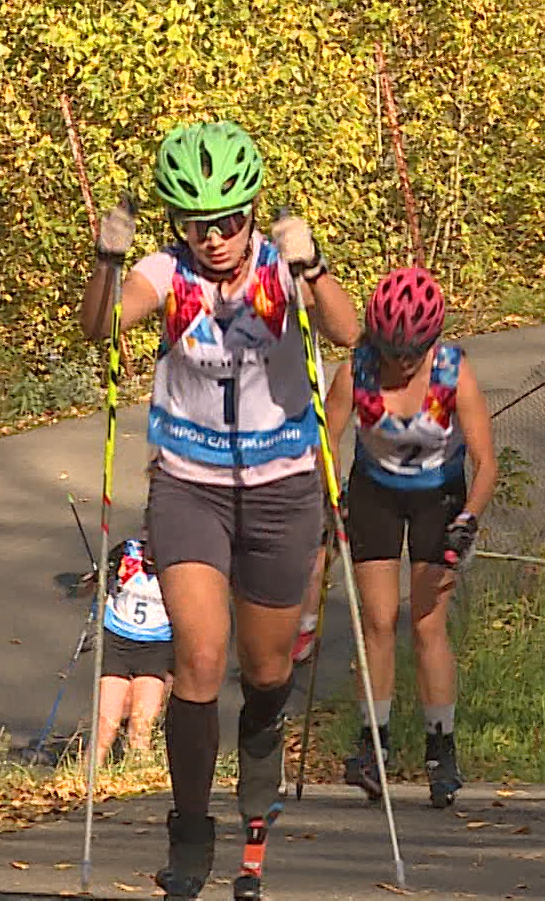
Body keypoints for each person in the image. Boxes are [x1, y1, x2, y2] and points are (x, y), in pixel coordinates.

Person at [78, 120, 360, 899]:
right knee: (198, 662)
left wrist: (316, 266)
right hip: (189, 486)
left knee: (264, 671)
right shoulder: (165, 272)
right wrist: (107, 260)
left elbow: (350, 334)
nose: (218, 237)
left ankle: (260, 762)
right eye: (201, 223)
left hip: (280, 488)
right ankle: (192, 829)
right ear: (180, 224)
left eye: (232, 220)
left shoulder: (279, 268)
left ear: (252, 213)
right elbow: (100, 327)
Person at [321, 266, 498, 809]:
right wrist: (327, 497)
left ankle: (441, 749)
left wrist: (467, 520)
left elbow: (487, 462)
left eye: (411, 353)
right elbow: (323, 442)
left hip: (437, 496)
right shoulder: (357, 370)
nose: (400, 363)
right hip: (374, 491)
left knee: (426, 624)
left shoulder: (452, 371)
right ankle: (372, 746)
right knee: (376, 621)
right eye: (392, 350)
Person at [85, 535, 173, 764]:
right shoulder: (127, 552)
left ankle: (140, 783)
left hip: (156, 646)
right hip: (118, 641)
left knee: (141, 727)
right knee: (106, 724)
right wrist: (100, 576)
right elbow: (91, 585)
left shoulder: (177, 564)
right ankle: (84, 779)